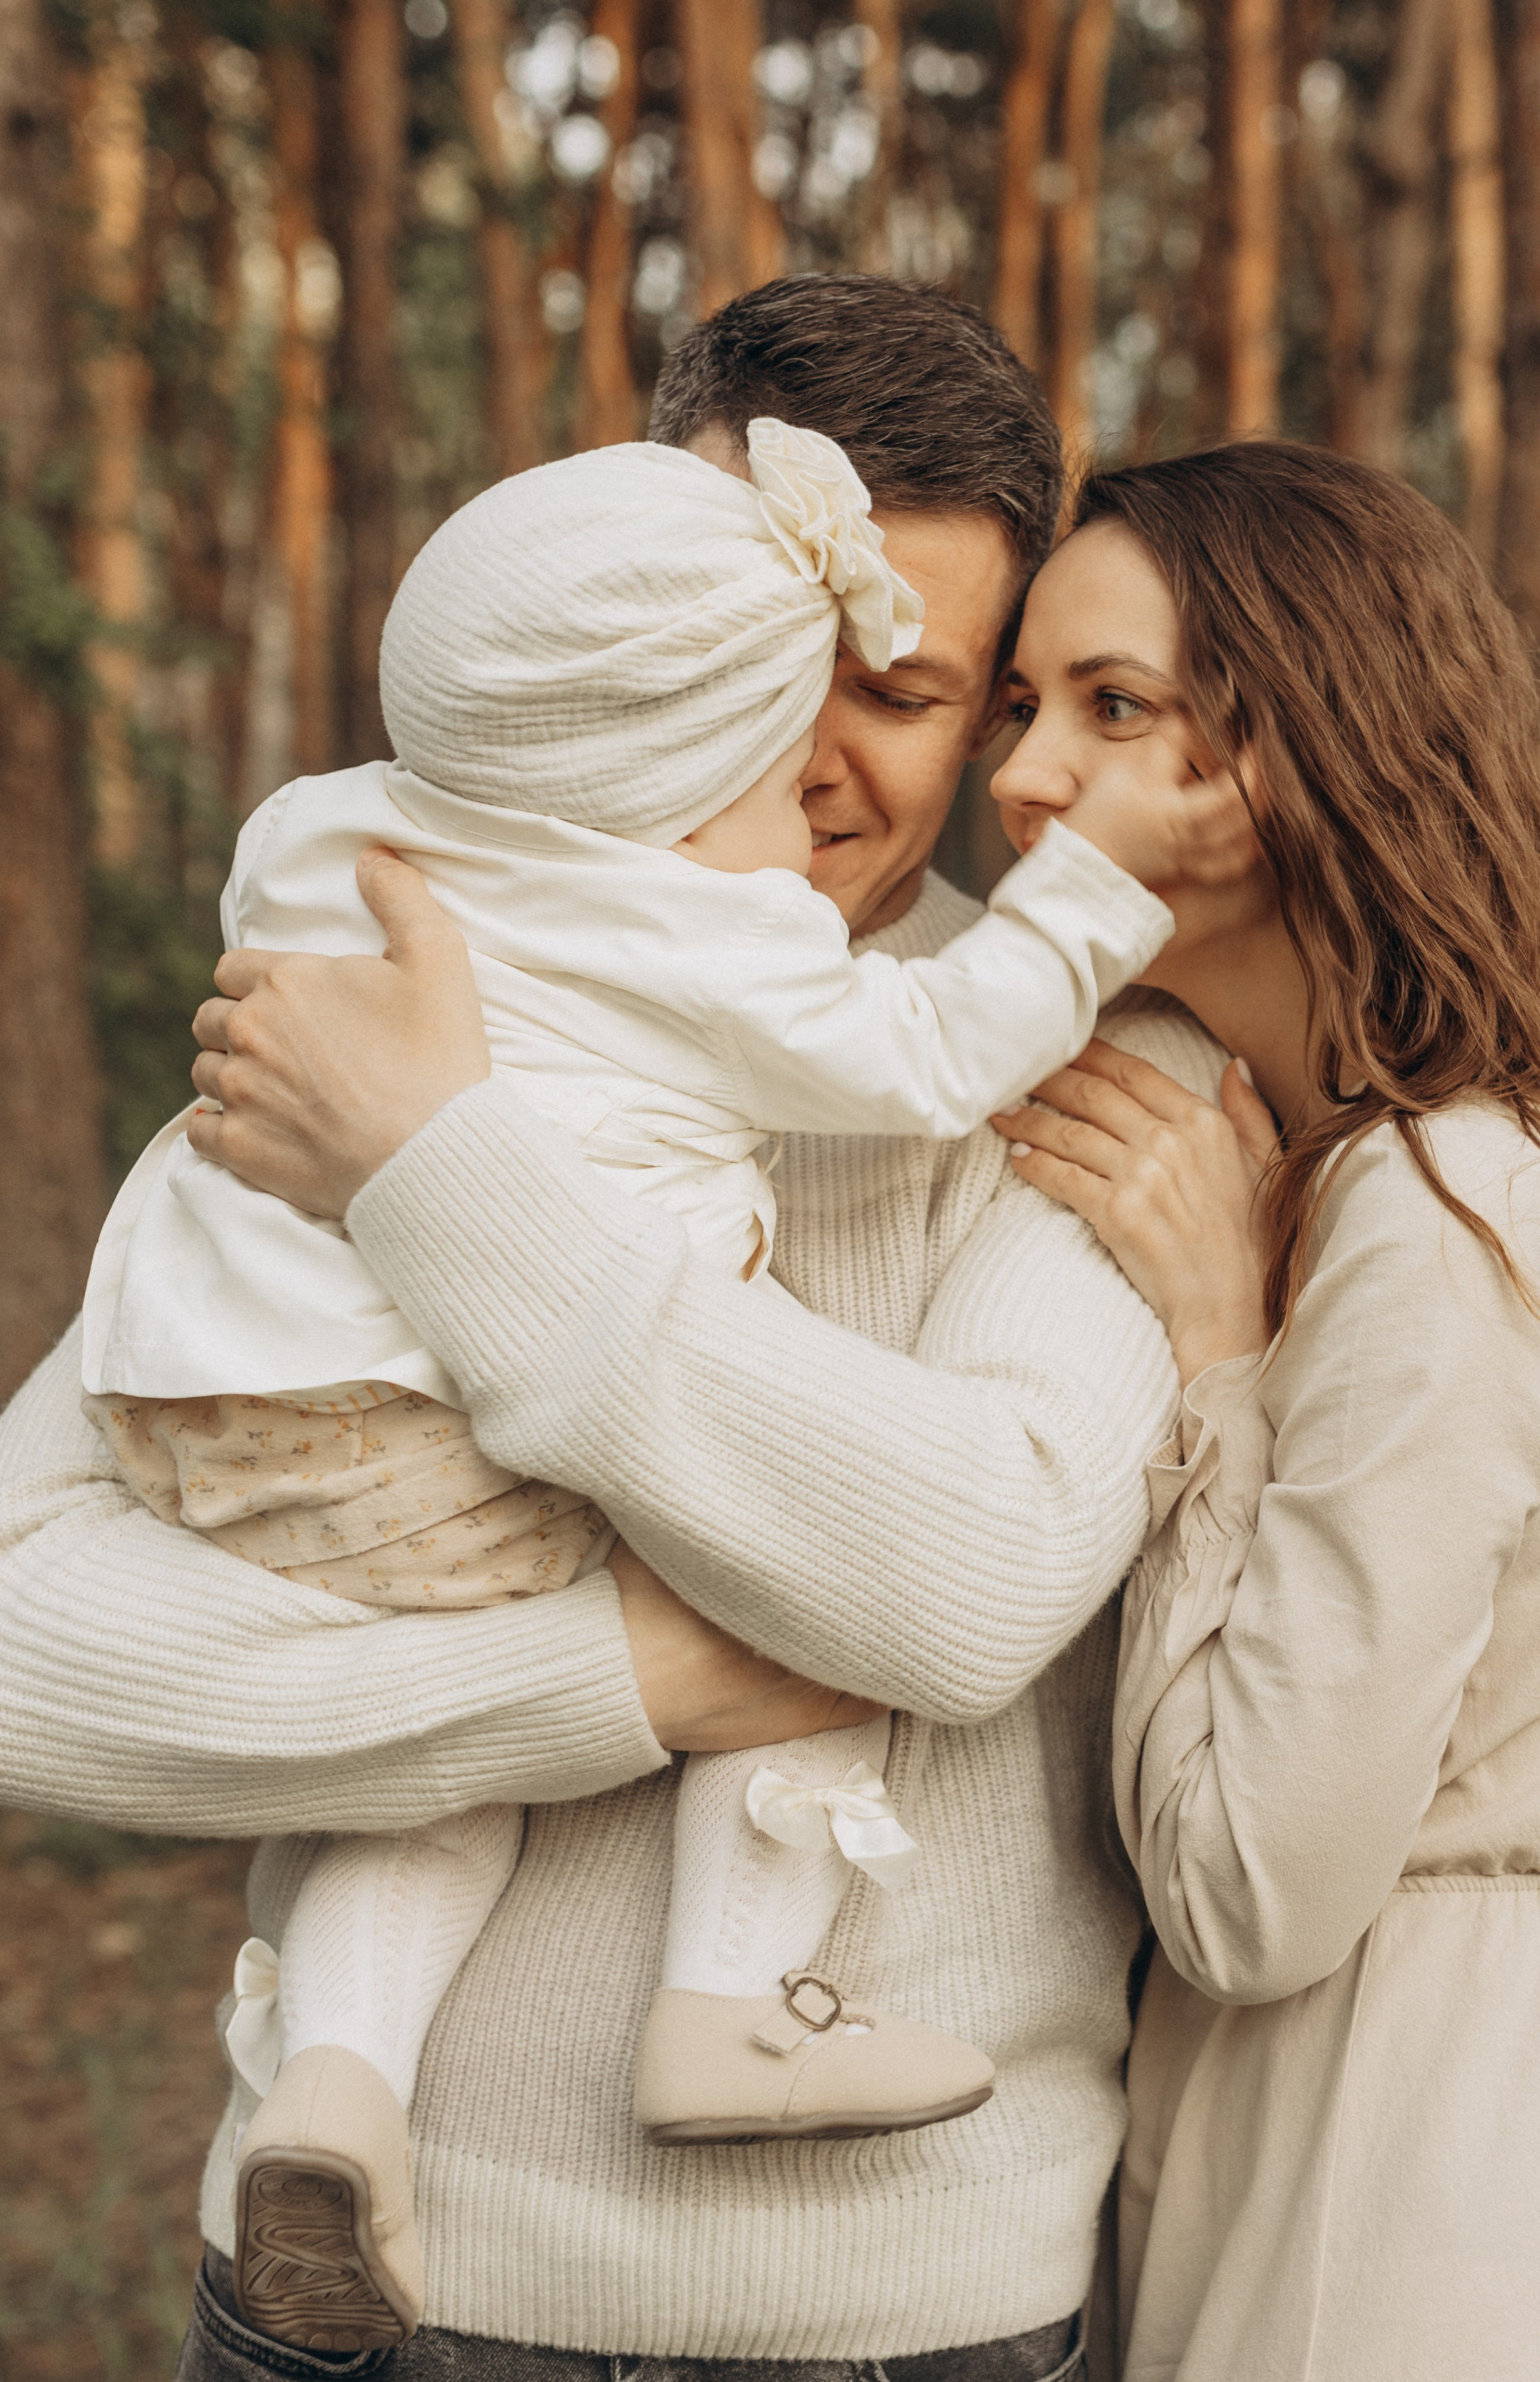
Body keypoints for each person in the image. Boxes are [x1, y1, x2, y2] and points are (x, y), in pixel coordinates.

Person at [0, 277, 1226, 2381]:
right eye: (744, 658)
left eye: (900, 693)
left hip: (893, 2321)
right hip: (369, 2309)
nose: (809, 760)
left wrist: (442, 1165)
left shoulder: (1094, 1079)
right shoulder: (369, 984)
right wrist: (628, 1674)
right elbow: (29, 1657)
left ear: (994, 711)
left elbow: (968, 1586)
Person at [988, 439, 1540, 2379]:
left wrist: (1215, 1373)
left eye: (1111, 708)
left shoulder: (1454, 1209)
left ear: (1291, 755)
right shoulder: (1389, 1161)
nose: (1019, 777)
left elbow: (1257, 1891)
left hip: (1410, 2189)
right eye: (1022, 707)